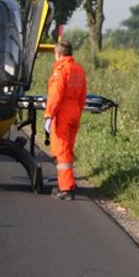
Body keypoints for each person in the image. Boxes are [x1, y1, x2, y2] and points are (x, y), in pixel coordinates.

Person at [44, 40, 87, 200]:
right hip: (75, 112)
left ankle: (66, 189)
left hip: (63, 113)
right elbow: (83, 95)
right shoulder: (79, 70)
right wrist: (78, 112)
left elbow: (55, 96)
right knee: (67, 149)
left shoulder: (61, 71)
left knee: (62, 152)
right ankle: (66, 183)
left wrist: (49, 115)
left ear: (58, 54)